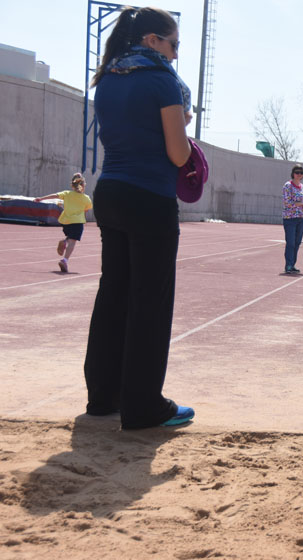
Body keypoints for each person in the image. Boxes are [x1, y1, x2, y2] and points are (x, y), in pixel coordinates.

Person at [84, 6, 194, 429]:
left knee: (112, 296)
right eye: (174, 44)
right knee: (149, 303)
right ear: (152, 40)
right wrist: (183, 121)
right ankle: (144, 406)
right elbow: (178, 154)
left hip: (109, 193)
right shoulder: (163, 81)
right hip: (149, 198)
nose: (176, 54)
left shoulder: (107, 79)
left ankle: (102, 397)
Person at [34, 172, 92, 273]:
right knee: (73, 242)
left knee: (70, 237)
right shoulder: (86, 198)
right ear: (83, 186)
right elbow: (86, 210)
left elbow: (55, 196)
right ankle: (65, 260)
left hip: (65, 221)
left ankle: (65, 241)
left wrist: (41, 198)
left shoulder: (66, 194)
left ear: (72, 185)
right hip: (77, 222)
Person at [282, 164, 303, 274]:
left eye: (301, 173)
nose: (299, 175)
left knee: (297, 242)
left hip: (301, 218)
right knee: (291, 242)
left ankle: (292, 264)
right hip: (290, 218)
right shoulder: (287, 186)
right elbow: (287, 202)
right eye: (297, 172)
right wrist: (301, 204)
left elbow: (302, 202)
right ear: (293, 173)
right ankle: (288, 265)